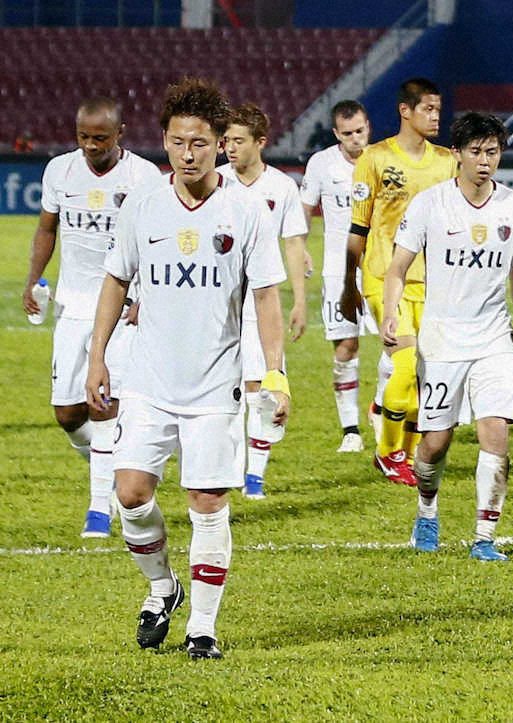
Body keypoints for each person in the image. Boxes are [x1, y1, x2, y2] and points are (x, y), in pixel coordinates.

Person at [85, 77, 288, 659]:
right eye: (177, 142)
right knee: (130, 494)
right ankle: (161, 587)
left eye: (199, 143)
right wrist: (97, 357)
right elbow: (116, 280)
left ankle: (203, 628)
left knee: (207, 502)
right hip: (148, 379)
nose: (187, 154)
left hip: (215, 385)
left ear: (221, 143)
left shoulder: (245, 211)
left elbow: (266, 296)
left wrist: (275, 374)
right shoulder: (143, 205)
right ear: (165, 141)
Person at [381, 112, 513, 562]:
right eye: (476, 152)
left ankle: (485, 537)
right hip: (442, 341)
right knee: (435, 442)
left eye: (492, 152)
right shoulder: (430, 204)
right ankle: (427, 510)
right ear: (457, 154)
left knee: (496, 431)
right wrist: (390, 313)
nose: (485, 161)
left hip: (493, 338)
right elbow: (397, 268)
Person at [22, 97, 161, 538]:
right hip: (73, 306)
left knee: (104, 405)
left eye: (100, 138)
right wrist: (33, 279)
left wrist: (145, 295)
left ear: (120, 134)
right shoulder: (59, 171)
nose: (90, 145)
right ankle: (110, 464)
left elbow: (156, 240)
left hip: (121, 307)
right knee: (67, 412)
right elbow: (47, 228)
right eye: (83, 136)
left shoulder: (143, 177)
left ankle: (99, 509)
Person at [341, 78, 456, 486]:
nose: (436, 116)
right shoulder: (374, 159)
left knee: (425, 377)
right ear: (405, 111)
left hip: (432, 282)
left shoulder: (447, 162)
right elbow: (358, 228)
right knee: (404, 366)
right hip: (383, 277)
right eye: (428, 109)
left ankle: (405, 452)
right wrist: (349, 284)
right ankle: (389, 452)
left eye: (438, 109)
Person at [219, 103, 308, 500]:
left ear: (260, 142)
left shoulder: (282, 187)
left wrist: (300, 302)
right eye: (226, 140)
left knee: (261, 384)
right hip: (220, 299)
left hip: (261, 300)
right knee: (226, 387)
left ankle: (254, 476)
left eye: (238, 141)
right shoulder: (216, 182)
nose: (229, 148)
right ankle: (232, 468)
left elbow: (294, 244)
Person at [301, 100, 373, 454]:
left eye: (360, 131)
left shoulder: (382, 160)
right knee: (346, 346)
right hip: (337, 271)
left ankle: (383, 409)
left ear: (368, 127)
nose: (355, 139)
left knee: (398, 343)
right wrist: (301, 248)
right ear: (336, 134)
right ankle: (351, 430)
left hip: (380, 268)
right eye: (347, 134)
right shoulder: (321, 164)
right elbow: (304, 208)